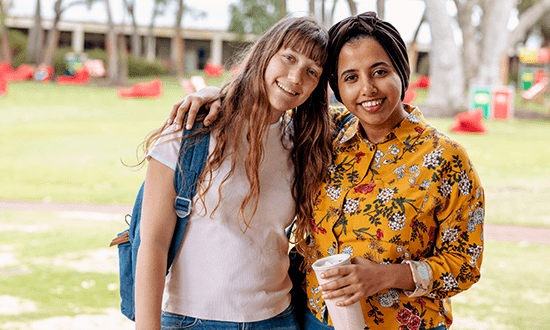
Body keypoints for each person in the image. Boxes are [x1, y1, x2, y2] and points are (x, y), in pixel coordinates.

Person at [169, 12, 484, 330]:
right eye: (350, 78)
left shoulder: (446, 159)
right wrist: (215, 96)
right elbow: (266, 108)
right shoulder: (326, 133)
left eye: (379, 72)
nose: (367, 89)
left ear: (401, 72)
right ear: (336, 86)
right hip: (311, 319)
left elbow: (465, 264)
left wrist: (385, 276)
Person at [135, 16, 333, 330]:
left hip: (277, 320)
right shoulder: (192, 129)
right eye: (289, 58)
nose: (296, 78)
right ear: (265, 54)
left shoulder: (304, 143)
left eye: (312, 71)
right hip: (193, 320)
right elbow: (153, 243)